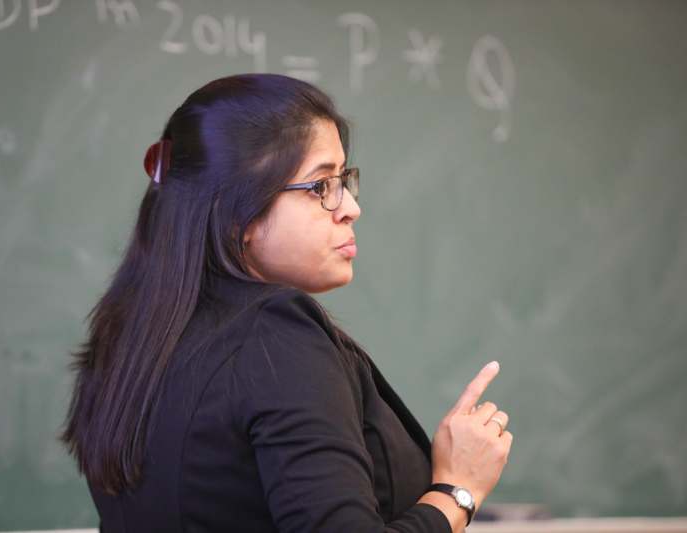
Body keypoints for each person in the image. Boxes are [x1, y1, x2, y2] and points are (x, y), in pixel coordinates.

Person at [60, 73, 513, 532]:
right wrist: (457, 489)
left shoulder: (130, 341)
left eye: (343, 179)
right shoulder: (276, 334)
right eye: (320, 186)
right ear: (238, 214)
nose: (350, 208)